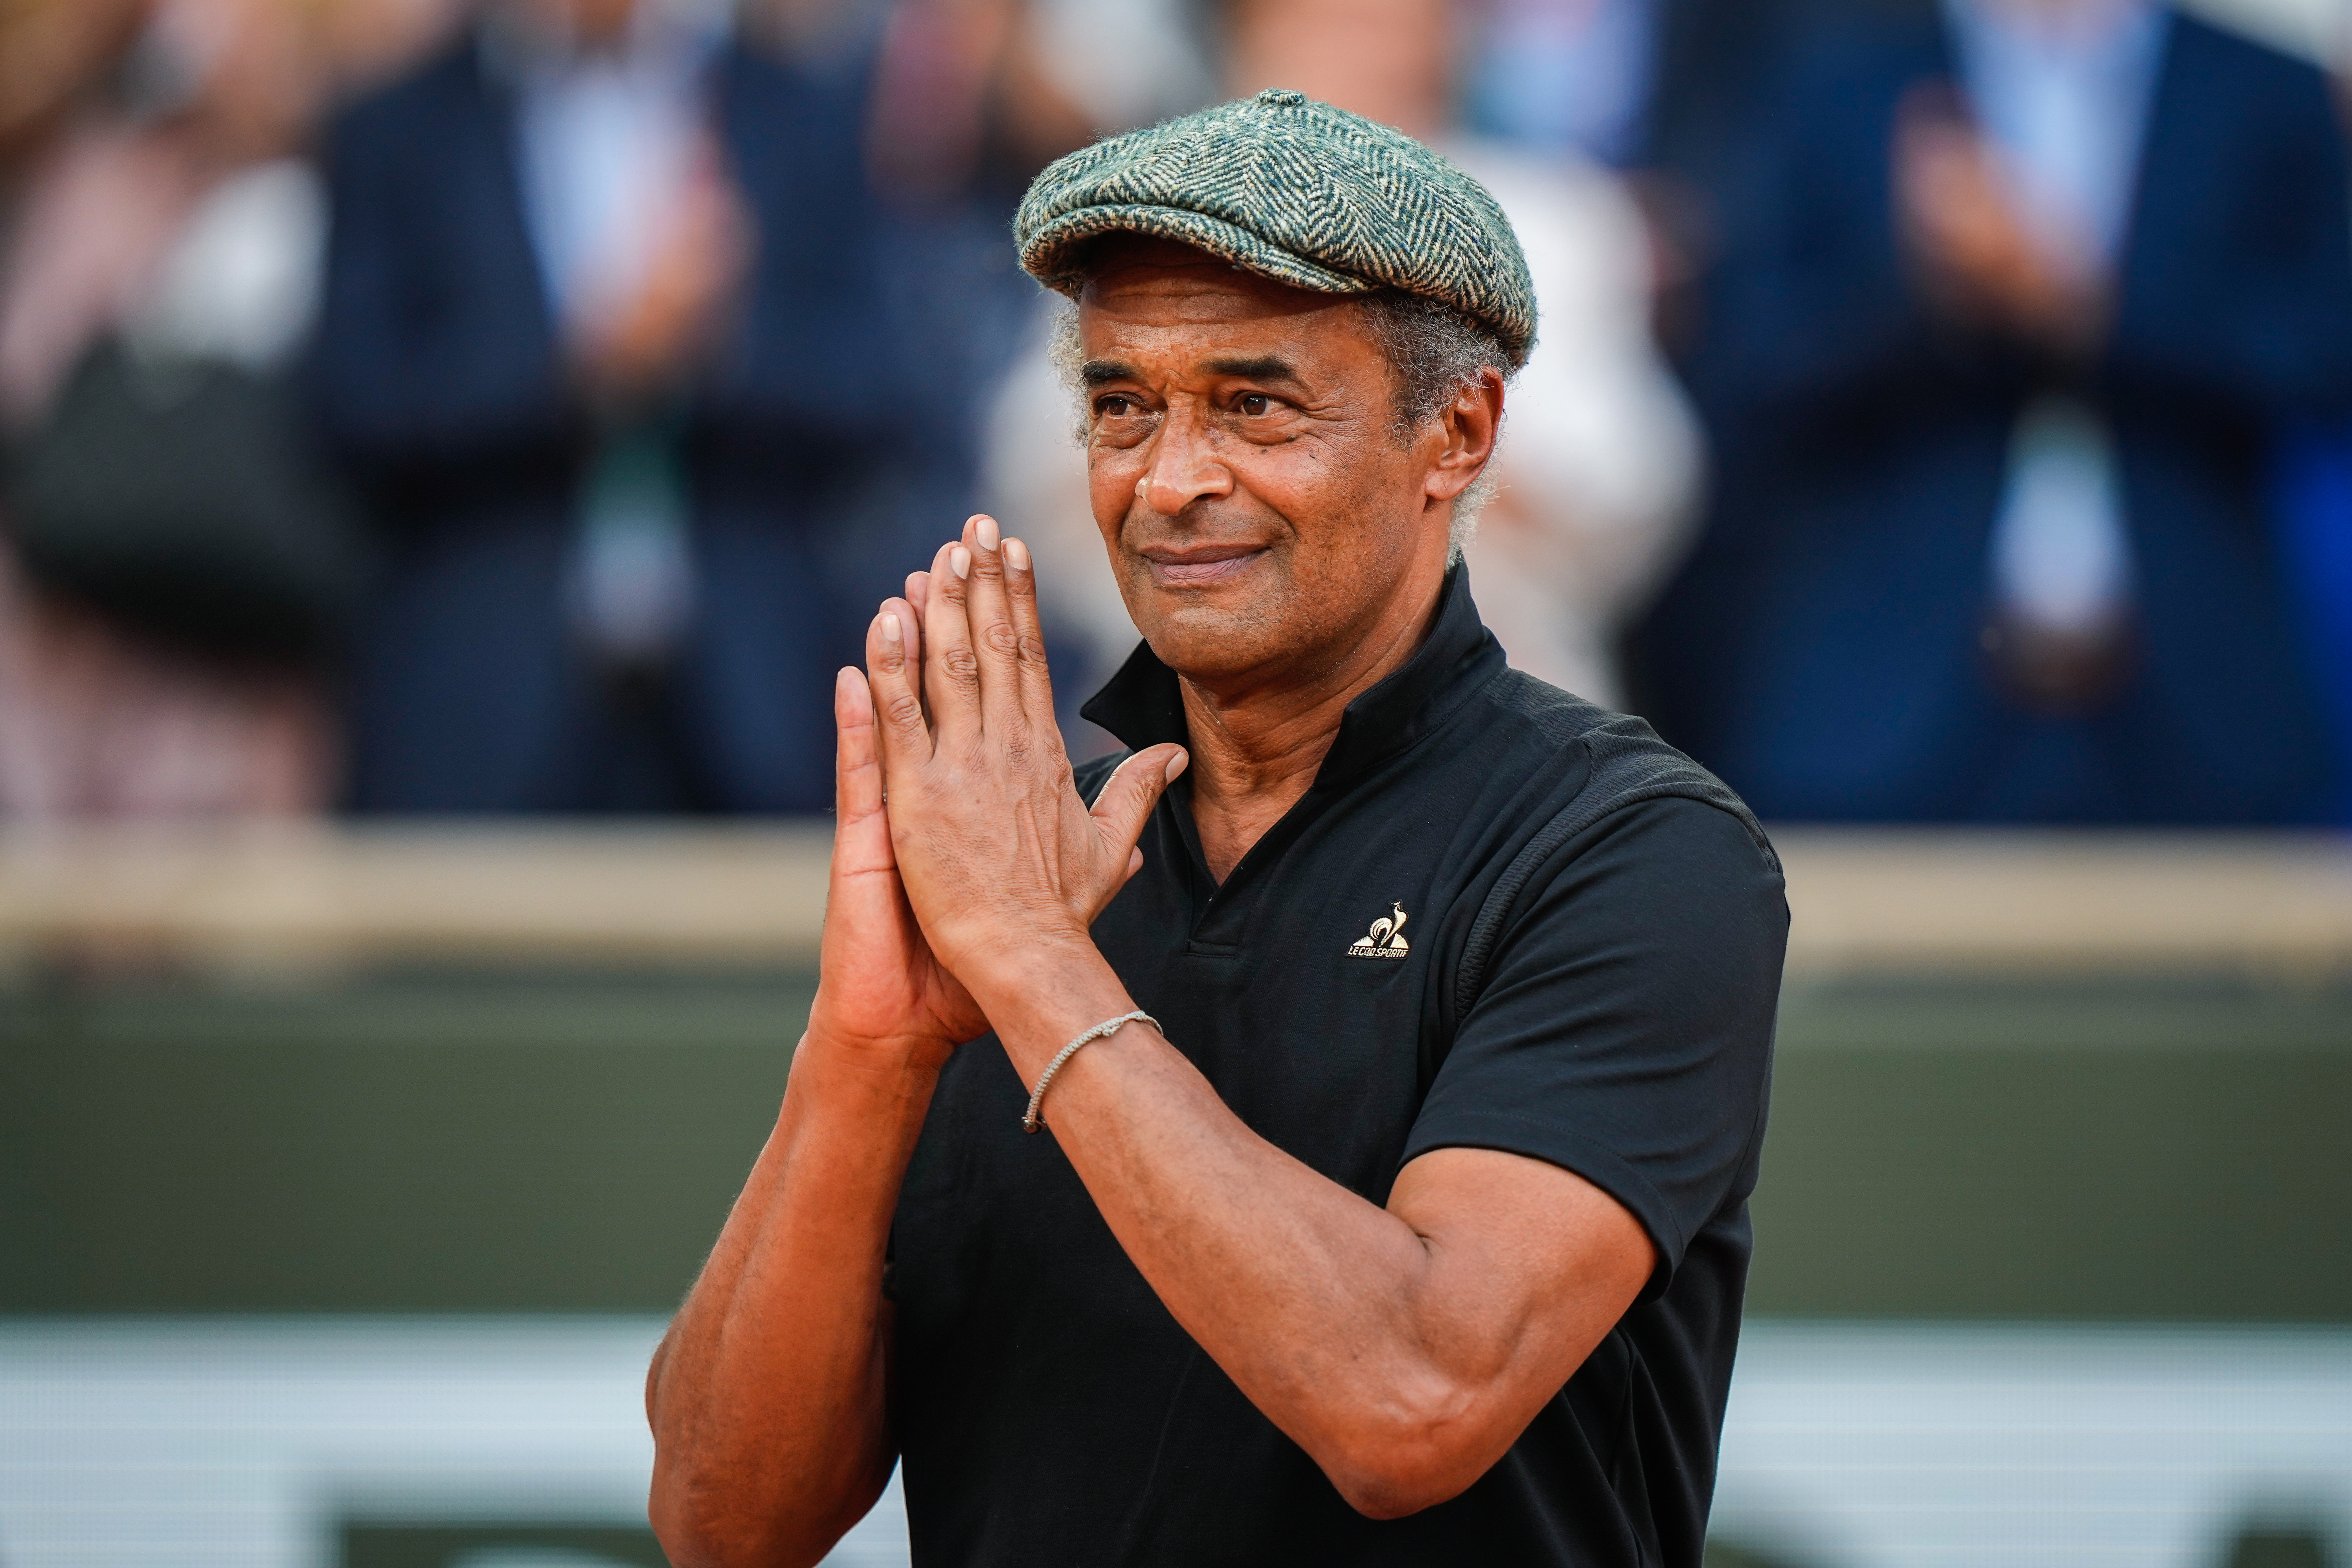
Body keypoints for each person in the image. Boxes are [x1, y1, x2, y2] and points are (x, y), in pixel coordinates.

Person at [645, 89, 1787, 1566]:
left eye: (1254, 403)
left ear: (1456, 430)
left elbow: (1412, 1398)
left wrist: (1034, 967)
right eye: (1123, 405)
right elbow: (721, 1525)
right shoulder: (1019, 860)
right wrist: (868, 1050)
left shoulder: (1632, 850)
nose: (1169, 481)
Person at [1636, 0, 2352, 823]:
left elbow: (2323, 358)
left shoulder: (2265, 87)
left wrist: (2080, 303)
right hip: (1882, 714)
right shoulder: (1835, 76)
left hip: (2200, 712)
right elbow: (1746, 368)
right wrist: (1924, 293)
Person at [313, 0, 913, 812]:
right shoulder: (400, 126)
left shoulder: (792, 112)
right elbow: (349, 405)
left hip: (748, 715)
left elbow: (876, 387)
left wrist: (713, 348)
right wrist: (575, 364)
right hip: (476, 719)